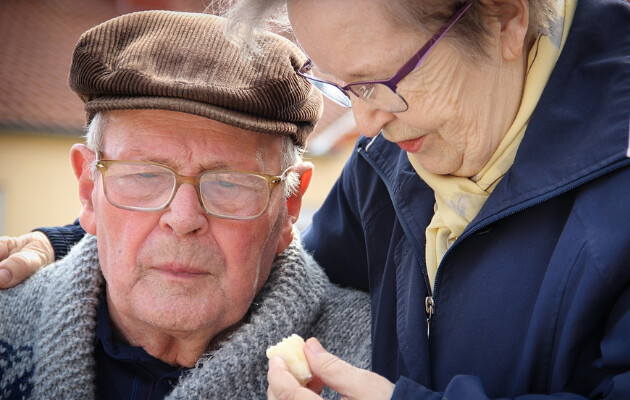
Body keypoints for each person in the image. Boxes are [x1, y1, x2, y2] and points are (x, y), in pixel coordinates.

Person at [2, 0, 630, 398]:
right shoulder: (395, 160)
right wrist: (68, 248)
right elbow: (258, 256)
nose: (365, 125)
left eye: (384, 81)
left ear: (505, 17)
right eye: (342, 88)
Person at [0, 10, 372, 399]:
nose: (183, 219)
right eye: (145, 175)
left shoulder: (376, 361)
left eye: (228, 182)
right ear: (89, 187)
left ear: (289, 205)